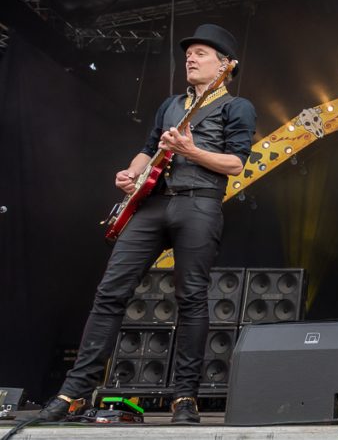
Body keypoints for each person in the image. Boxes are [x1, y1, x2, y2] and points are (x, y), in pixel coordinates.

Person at [37, 24, 257, 424]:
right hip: (152, 204)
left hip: (199, 203)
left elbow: (235, 164)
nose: (190, 58)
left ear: (225, 65)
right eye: (189, 53)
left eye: (201, 53)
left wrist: (191, 150)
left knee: (191, 299)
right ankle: (73, 392)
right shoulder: (171, 105)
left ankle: (184, 397)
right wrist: (131, 174)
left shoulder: (236, 107)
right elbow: (147, 149)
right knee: (110, 292)